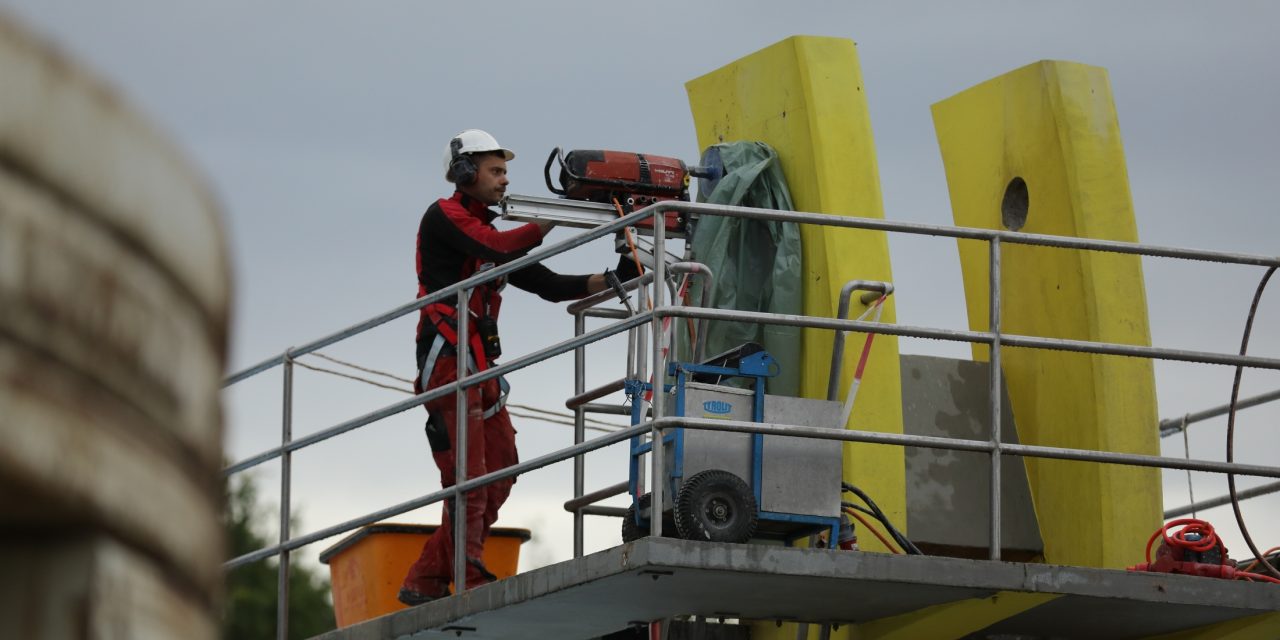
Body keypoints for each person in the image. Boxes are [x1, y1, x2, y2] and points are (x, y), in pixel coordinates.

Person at [399, 129, 639, 605]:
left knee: (501, 469)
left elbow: (547, 284)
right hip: (448, 362)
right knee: (469, 477)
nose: (505, 180)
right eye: (496, 170)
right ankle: (466, 578)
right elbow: (501, 249)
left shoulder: (491, 233)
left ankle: (426, 578)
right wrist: (548, 221)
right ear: (466, 172)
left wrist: (616, 278)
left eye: (505, 171)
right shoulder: (445, 217)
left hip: (481, 366)